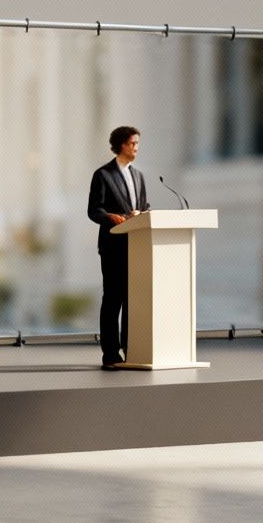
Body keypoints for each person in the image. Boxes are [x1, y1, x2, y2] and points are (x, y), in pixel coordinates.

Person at [87, 126, 151, 367]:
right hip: (113, 246)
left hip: (137, 247)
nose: (137, 148)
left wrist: (142, 213)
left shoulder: (139, 176)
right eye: (133, 143)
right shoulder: (103, 175)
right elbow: (94, 210)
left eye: (137, 143)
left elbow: (145, 206)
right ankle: (111, 354)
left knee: (132, 300)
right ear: (121, 145)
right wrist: (112, 217)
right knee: (113, 299)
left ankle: (131, 349)